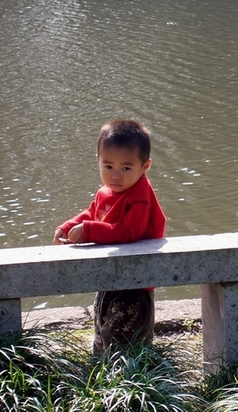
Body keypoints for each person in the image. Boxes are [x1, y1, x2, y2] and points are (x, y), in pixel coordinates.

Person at [53, 119, 166, 354]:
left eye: (126, 168)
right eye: (108, 166)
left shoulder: (139, 196)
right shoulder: (108, 191)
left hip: (135, 282)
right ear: (98, 161)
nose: (116, 176)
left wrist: (89, 231)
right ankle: (102, 368)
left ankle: (129, 378)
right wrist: (70, 226)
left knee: (125, 338)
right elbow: (92, 212)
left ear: (145, 166)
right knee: (103, 325)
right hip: (112, 275)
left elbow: (128, 232)